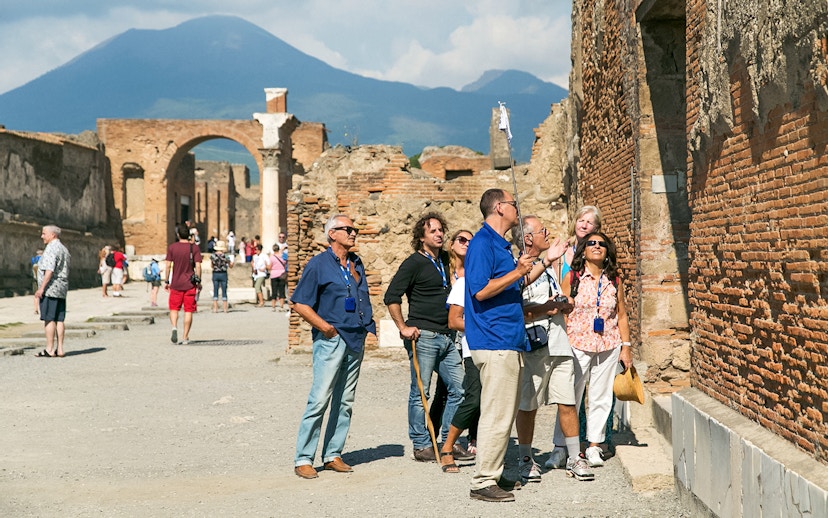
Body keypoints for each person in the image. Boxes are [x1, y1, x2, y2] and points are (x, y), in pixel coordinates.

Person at [463, 188, 545, 502]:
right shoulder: (483, 243)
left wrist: (538, 261)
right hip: (494, 339)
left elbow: (515, 282)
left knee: (503, 412)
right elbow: (481, 291)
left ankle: (493, 473)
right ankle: (483, 481)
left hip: (508, 339)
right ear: (499, 207)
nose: (517, 208)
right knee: (496, 414)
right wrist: (517, 271)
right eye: (513, 203)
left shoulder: (500, 244)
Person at [291, 214, 376, 479]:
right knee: (319, 399)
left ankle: (332, 454)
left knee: (345, 400)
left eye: (355, 229)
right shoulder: (318, 265)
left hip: (355, 338)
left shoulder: (356, 263)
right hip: (331, 339)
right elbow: (299, 303)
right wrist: (325, 327)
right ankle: (303, 458)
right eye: (347, 229)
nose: (353, 233)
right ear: (332, 234)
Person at [512, 215, 595, 482]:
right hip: (534, 345)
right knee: (528, 405)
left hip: (559, 342)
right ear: (528, 239)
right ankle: (526, 459)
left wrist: (564, 303)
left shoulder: (546, 268)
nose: (548, 234)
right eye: (542, 231)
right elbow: (514, 308)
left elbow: (553, 298)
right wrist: (543, 309)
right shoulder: (516, 268)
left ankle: (574, 458)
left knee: (568, 401)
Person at [384, 212, 468, 464]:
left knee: (460, 389)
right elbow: (391, 296)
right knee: (421, 393)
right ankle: (421, 445)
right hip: (424, 336)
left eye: (441, 230)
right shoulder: (413, 263)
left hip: (447, 336)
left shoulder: (445, 260)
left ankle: (446, 442)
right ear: (421, 237)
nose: (439, 234)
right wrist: (402, 327)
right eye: (433, 231)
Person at [559, 231, 633, 469]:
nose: (597, 246)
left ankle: (594, 446)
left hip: (608, 344)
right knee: (570, 397)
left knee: (601, 397)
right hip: (577, 343)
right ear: (583, 250)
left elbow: (621, 314)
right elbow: (561, 311)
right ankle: (562, 447)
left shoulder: (615, 280)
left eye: (602, 244)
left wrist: (626, 347)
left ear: (607, 251)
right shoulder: (573, 277)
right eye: (591, 243)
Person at [436, 229, 481, 473]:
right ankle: (447, 446)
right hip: (473, 347)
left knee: (493, 401)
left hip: (497, 347)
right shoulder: (463, 283)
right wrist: (482, 327)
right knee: (472, 397)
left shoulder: (494, 280)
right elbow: (454, 321)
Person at [34, 225, 70, 358]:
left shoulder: (51, 249)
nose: (42, 236)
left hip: (50, 288)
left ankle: (49, 349)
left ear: (52, 235)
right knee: (60, 319)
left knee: (49, 319)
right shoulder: (64, 249)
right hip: (61, 288)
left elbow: (49, 270)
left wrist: (41, 288)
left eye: (44, 234)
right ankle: (60, 348)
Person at [164, 225, 202, 345]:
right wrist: (198, 281)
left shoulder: (172, 248)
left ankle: (174, 327)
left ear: (178, 235)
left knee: (174, 308)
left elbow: (168, 265)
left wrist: (166, 281)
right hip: (190, 284)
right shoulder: (194, 248)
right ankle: (185, 337)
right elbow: (198, 266)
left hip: (176, 283)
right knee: (188, 311)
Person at [210, 240, 232, 313]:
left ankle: (215, 308)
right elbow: (230, 265)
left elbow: (211, 266)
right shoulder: (226, 256)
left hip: (216, 273)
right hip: (223, 273)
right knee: (224, 290)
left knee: (215, 290)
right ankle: (225, 308)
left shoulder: (213, 256)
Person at [270, 242, 288, 311]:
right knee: (281, 290)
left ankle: (273, 306)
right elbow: (285, 262)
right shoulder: (282, 256)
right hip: (282, 274)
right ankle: (281, 306)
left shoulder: (272, 257)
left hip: (274, 274)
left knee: (274, 290)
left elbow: (270, 266)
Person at [31, 249, 42, 314]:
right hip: (42, 280)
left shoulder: (34, 260)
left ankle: (36, 309)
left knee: (36, 295)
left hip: (35, 279)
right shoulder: (43, 259)